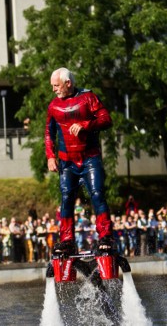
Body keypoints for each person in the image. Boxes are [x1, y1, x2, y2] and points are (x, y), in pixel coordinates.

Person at [45, 67, 114, 256]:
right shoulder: (53, 106)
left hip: (89, 158)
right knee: (66, 198)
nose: (54, 89)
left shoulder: (88, 97)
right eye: (52, 86)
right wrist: (50, 156)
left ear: (68, 83)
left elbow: (106, 119)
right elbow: (48, 133)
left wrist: (86, 125)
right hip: (67, 162)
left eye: (56, 85)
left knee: (97, 194)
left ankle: (106, 237)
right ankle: (67, 241)